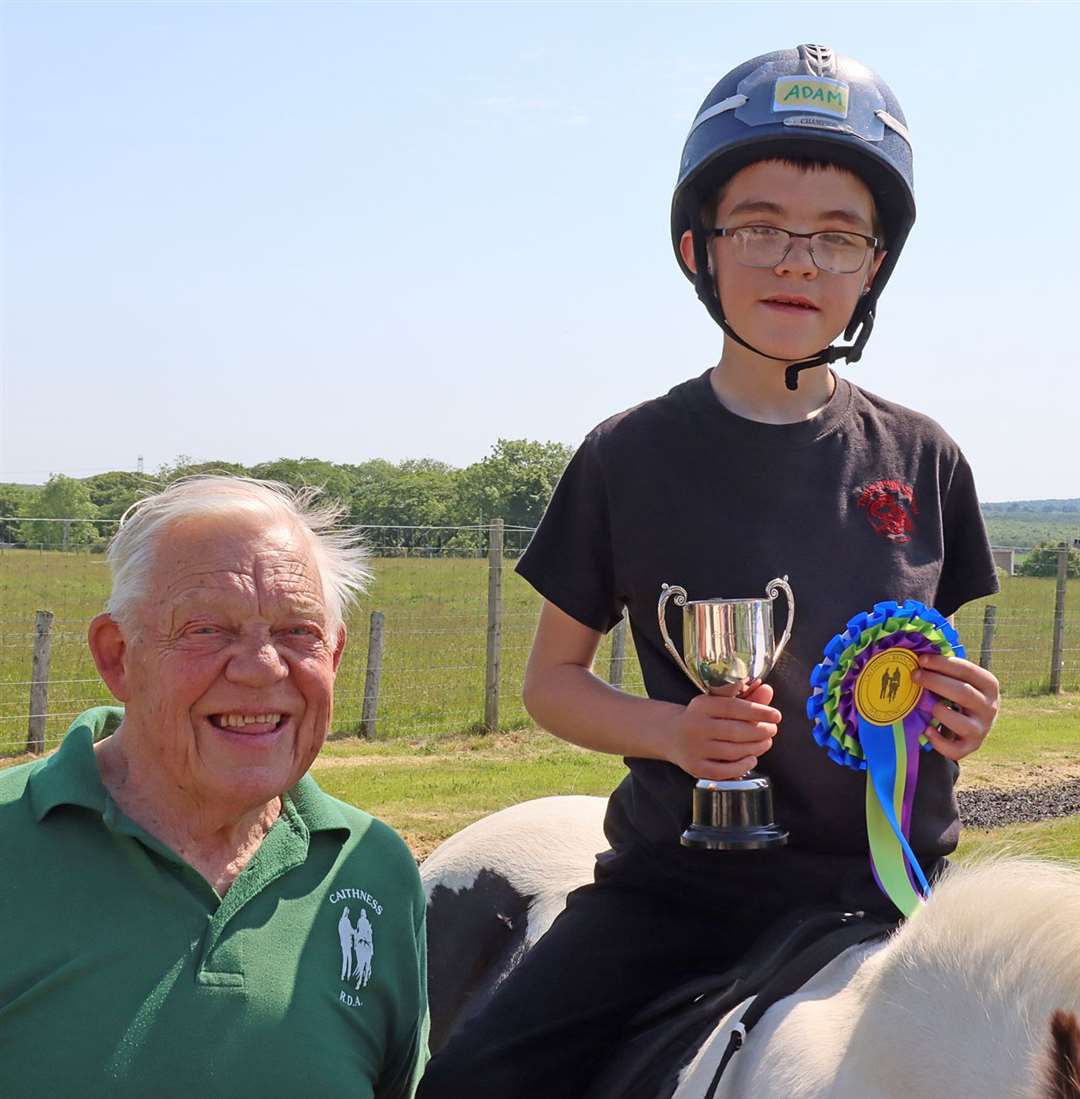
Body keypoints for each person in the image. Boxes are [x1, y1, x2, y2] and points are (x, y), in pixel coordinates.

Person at [418, 44, 1001, 1098]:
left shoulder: (926, 457)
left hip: (898, 898)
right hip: (679, 894)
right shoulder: (626, 455)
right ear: (699, 245)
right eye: (762, 226)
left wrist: (961, 713)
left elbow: (936, 675)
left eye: (836, 238)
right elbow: (552, 681)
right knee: (471, 1080)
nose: (797, 262)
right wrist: (672, 733)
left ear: (875, 266)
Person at [0, 476, 429, 1099]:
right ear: (118, 656)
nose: (260, 668)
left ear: (333, 656)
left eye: (297, 632)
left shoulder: (373, 868)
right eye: (206, 630)